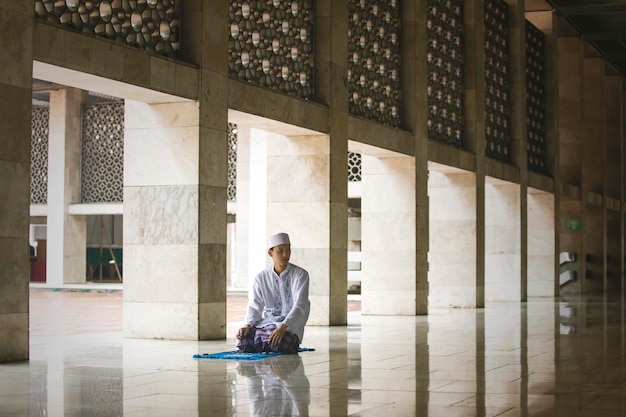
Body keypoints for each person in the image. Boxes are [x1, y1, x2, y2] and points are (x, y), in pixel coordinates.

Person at [236, 232, 310, 353]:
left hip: (289, 326)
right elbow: (255, 305)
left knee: (279, 343)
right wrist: (247, 325)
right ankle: (263, 341)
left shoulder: (300, 275)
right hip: (267, 324)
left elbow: (300, 305)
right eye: (280, 251)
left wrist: (283, 327)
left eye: (288, 250)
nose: (285, 254)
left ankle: (264, 343)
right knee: (243, 340)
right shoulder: (261, 277)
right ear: (270, 253)